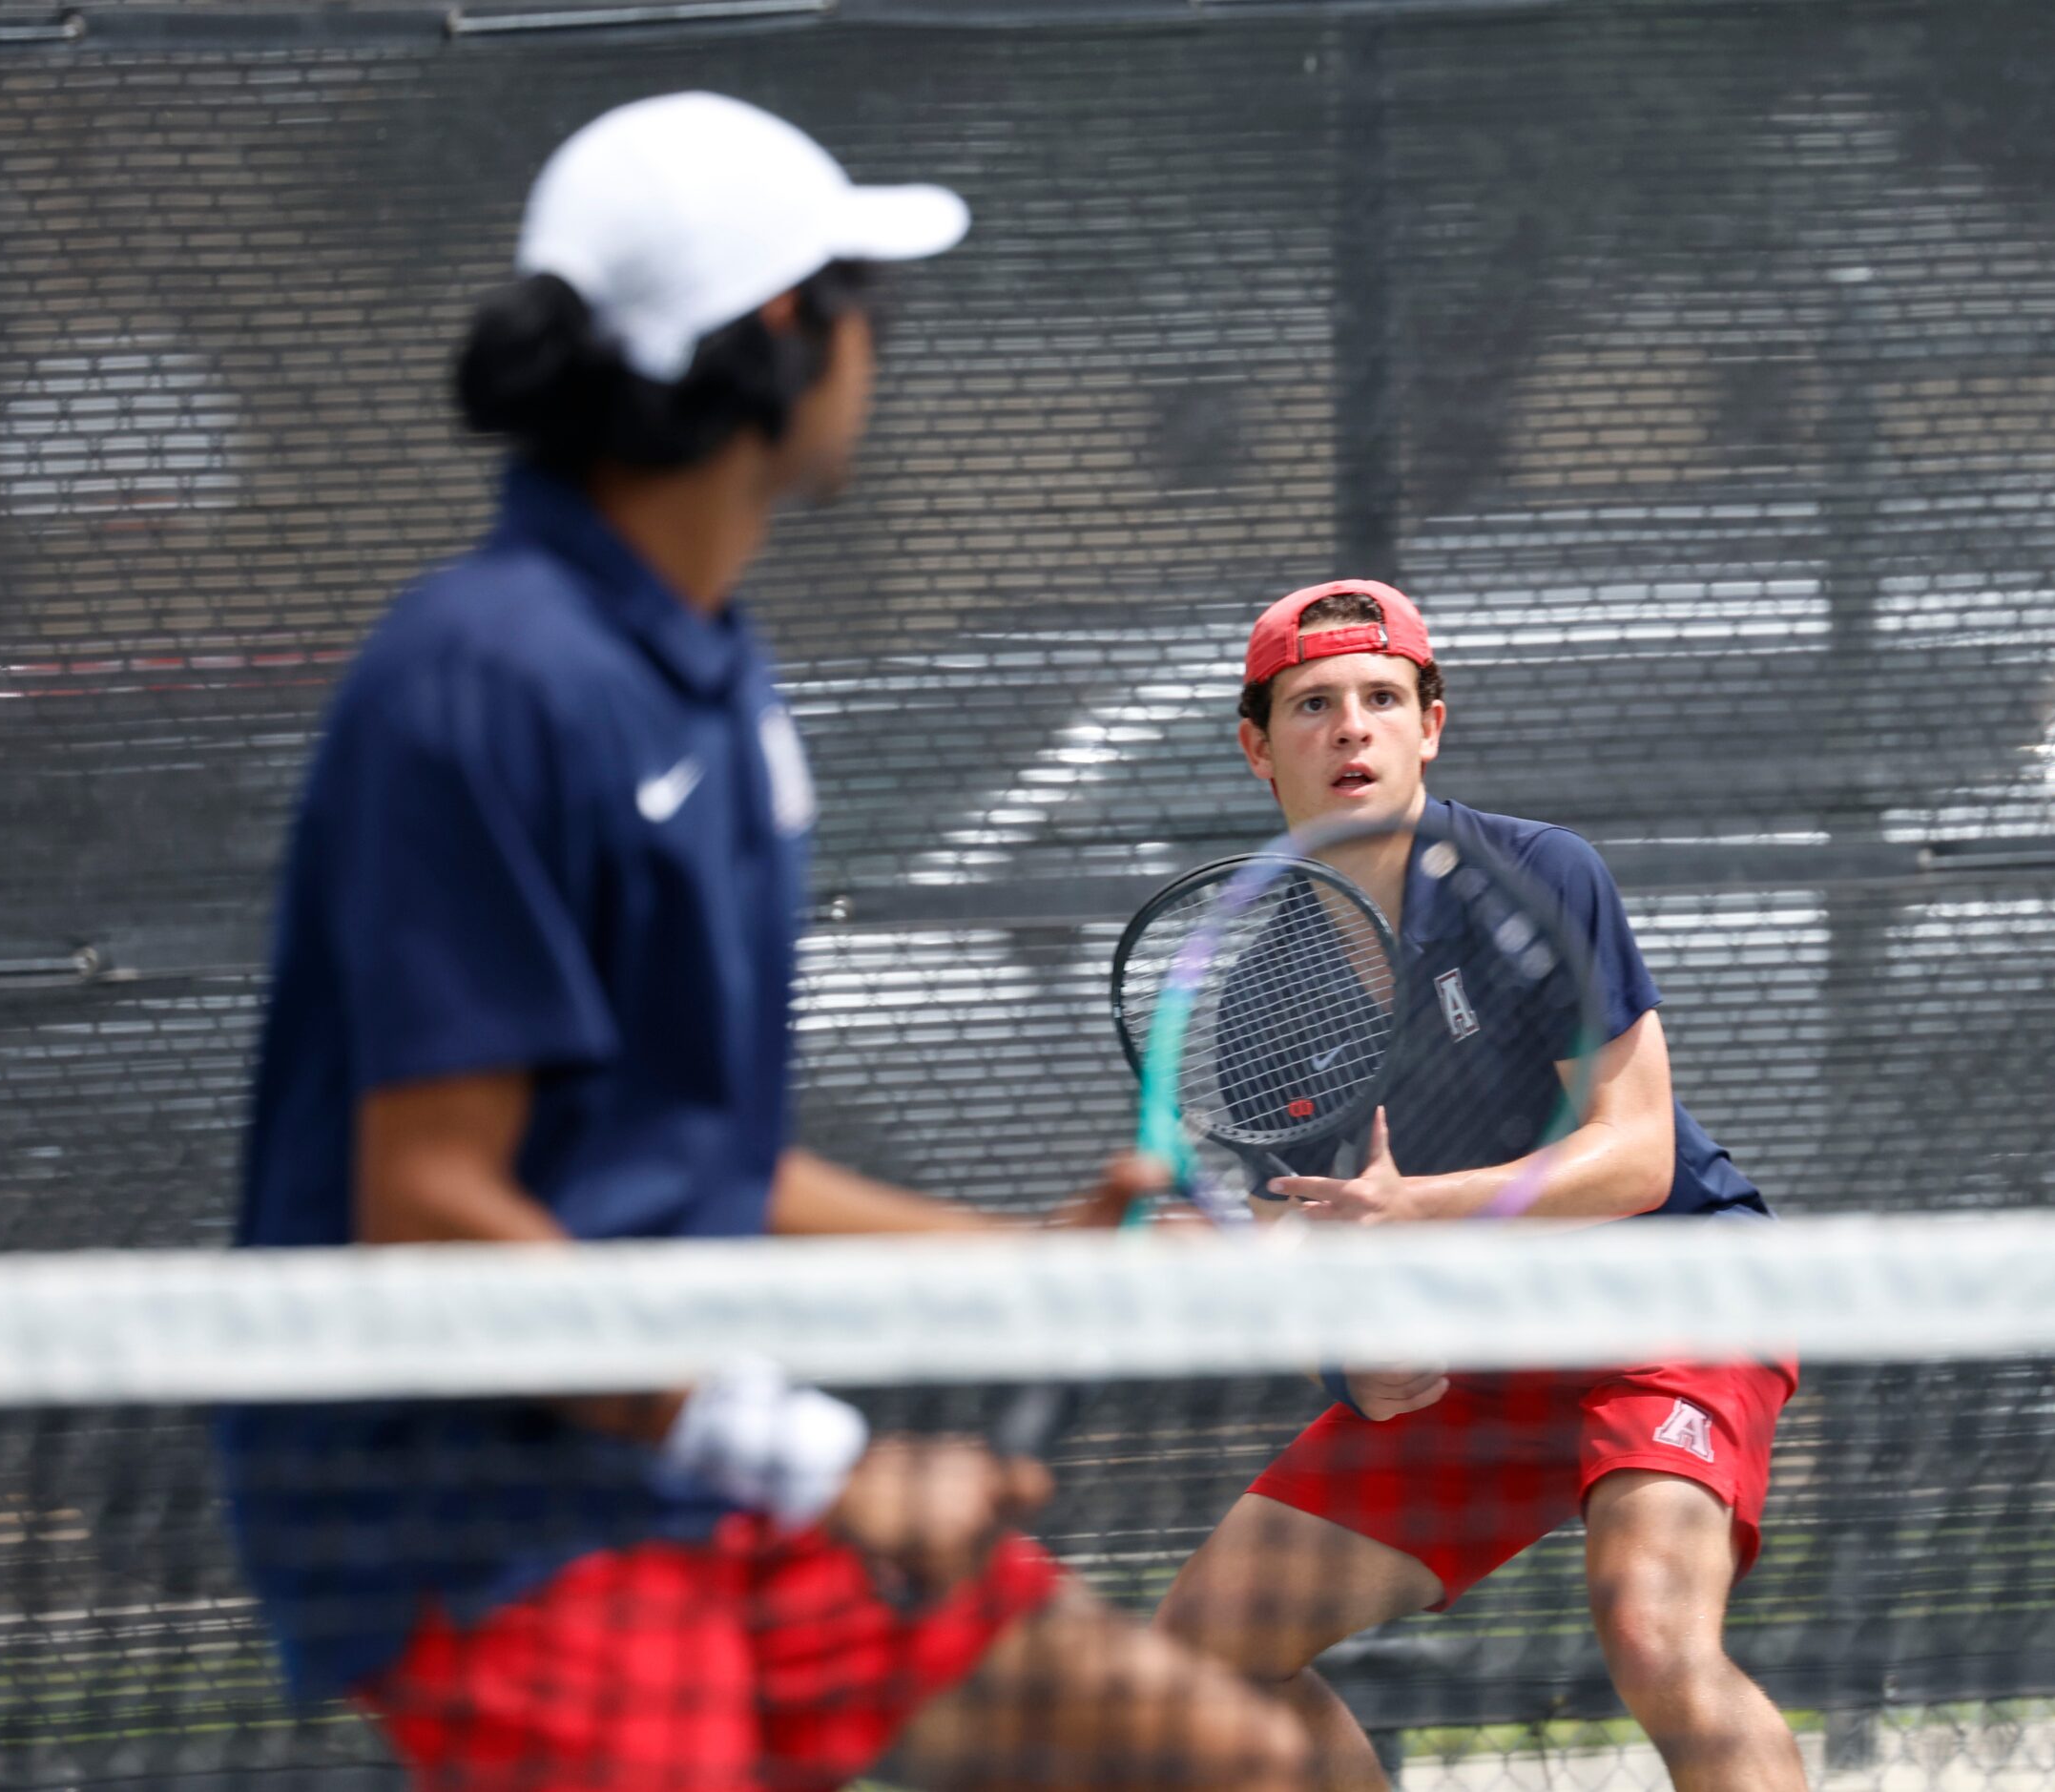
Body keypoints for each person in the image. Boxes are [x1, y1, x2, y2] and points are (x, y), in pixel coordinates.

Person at [218, 93, 1313, 1792]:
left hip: (676, 1466)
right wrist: (821, 1459)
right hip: (482, 1510)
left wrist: (1022, 1266)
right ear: (785, 334)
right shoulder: (481, 680)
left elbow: (688, 1158)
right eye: (867, 299)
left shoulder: (715, 679)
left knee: (1236, 1765)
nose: (887, 345)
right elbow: (434, 1213)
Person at [1151, 578, 1805, 1792]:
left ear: (1428, 726)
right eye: (1311, 706)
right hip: (1489, 1356)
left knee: (1654, 1637)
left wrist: (1424, 1208)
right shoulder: (1259, 1000)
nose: (1351, 728)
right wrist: (1338, 1354)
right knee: (1203, 1649)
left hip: (1674, 1297)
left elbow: (1634, 1153)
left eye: (1381, 698)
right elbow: (1311, 1252)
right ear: (1257, 747)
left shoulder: (1538, 876)